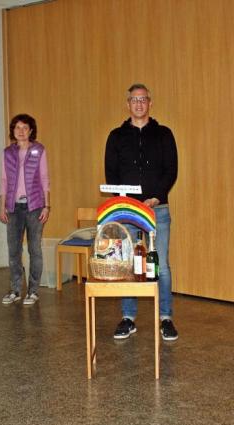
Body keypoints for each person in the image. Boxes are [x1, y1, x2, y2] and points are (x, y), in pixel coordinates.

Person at [105, 83, 179, 341]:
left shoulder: (164, 134)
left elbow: (171, 170)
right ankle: (128, 317)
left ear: (150, 102)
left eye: (143, 99)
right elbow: (111, 173)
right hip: (127, 211)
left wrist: (156, 196)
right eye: (134, 100)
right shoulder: (115, 136)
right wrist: (125, 202)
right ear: (128, 104)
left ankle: (166, 317)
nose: (139, 104)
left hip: (158, 208)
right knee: (128, 265)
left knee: (162, 266)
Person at [0, 114, 51, 305]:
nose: (21, 131)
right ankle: (15, 290)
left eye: (24, 128)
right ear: (13, 131)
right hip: (13, 207)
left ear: (30, 130)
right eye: (17, 127)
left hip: (35, 206)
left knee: (34, 249)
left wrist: (47, 205)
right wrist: (2, 206)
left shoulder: (39, 150)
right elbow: (3, 181)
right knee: (14, 250)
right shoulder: (7, 153)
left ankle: (33, 291)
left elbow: (45, 178)